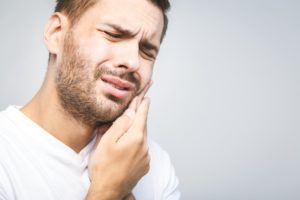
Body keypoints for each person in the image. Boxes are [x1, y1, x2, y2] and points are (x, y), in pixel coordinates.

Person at [0, 0, 180, 199]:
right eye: (113, 35)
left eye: (147, 50)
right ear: (56, 33)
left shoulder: (152, 164)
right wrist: (109, 190)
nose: (132, 62)